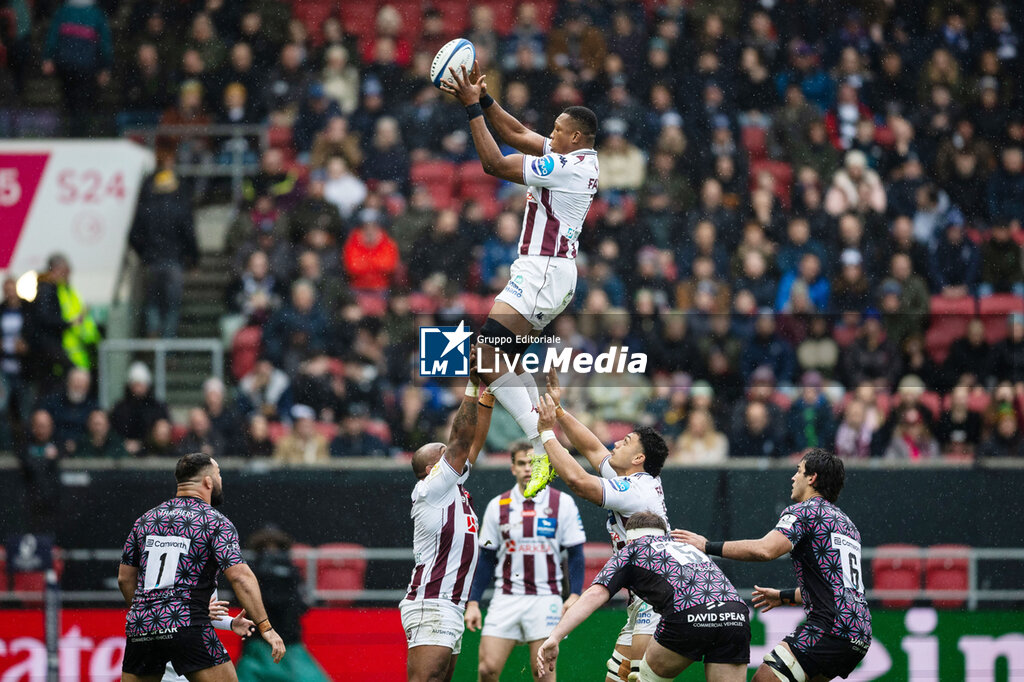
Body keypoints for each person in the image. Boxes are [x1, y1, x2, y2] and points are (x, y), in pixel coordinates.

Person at [441, 62, 600, 499]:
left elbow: (494, 163)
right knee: (490, 367)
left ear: (576, 138)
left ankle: (542, 443)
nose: (550, 133)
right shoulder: (576, 157)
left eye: (558, 130)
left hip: (542, 270)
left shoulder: (567, 167)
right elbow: (515, 132)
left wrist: (471, 110)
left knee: (484, 356)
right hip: (548, 271)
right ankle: (498, 452)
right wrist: (485, 98)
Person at [673, 449, 871, 682]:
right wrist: (783, 596)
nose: (793, 477)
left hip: (829, 629)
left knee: (763, 680)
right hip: (859, 634)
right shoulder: (847, 525)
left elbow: (764, 550)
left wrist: (707, 546)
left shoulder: (805, 512)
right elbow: (836, 588)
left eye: (798, 471)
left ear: (812, 478)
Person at [534, 372, 670, 682]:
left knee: (641, 680)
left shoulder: (636, 490)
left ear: (638, 457)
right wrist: (560, 411)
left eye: (625, 442)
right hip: (641, 597)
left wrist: (546, 433)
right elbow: (593, 450)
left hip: (653, 600)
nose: (615, 443)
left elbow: (578, 481)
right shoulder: (637, 479)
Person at [118, 453, 286, 681]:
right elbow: (240, 577)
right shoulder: (214, 521)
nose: (220, 479)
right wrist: (266, 627)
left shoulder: (145, 520)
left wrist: (151, 614)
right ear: (208, 481)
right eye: (218, 473)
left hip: (142, 625)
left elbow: (125, 578)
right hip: (186, 624)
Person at [536, 512, 750, 682]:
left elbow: (595, 594)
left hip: (689, 614)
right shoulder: (687, 547)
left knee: (643, 678)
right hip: (736, 614)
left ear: (628, 537)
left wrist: (555, 637)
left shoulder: (632, 549)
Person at [401, 349, 493, 682]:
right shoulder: (432, 488)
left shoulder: (453, 486)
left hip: (450, 603)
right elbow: (461, 440)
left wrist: (488, 395)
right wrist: (471, 385)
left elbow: (472, 444)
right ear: (432, 469)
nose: (453, 454)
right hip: (432, 600)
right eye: (444, 453)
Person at [464, 441, 587, 682]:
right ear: (513, 468)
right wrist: (474, 602)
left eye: (533, 463)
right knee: (487, 669)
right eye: (521, 463)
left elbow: (576, 553)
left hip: (546, 598)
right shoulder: (498, 505)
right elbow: (486, 559)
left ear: (543, 467)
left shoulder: (562, 503)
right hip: (506, 597)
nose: (528, 469)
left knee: (542, 673)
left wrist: (574, 594)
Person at [236, 527, 330, 681]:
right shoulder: (257, 571)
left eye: (275, 547)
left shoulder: (256, 571)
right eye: (267, 547)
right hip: (263, 641)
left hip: (285, 640)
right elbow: (302, 604)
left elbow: (301, 604)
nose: (272, 552)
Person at [128, 168, 199, 338]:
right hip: (174, 262)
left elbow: (133, 236)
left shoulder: (145, 209)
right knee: (172, 306)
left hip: (151, 262)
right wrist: (194, 259)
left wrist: (144, 254)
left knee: (152, 301)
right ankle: (167, 343)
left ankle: (153, 334)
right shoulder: (180, 208)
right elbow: (189, 235)